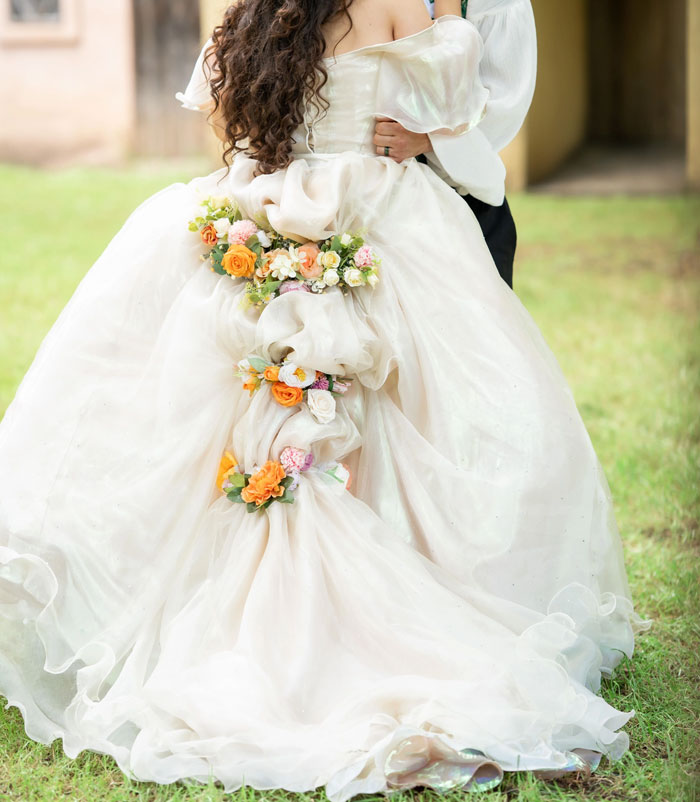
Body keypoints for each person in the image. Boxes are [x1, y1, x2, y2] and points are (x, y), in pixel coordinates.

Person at [0, 1, 647, 799]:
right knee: (399, 406)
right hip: (377, 208)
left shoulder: (256, 12)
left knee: (233, 399)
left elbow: (225, 116)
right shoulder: (397, 5)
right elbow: (449, 104)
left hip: (262, 199)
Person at [373, 0, 537, 287]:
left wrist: (429, 139)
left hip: (462, 195)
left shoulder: (495, 5)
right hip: (372, 197)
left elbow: (506, 100)